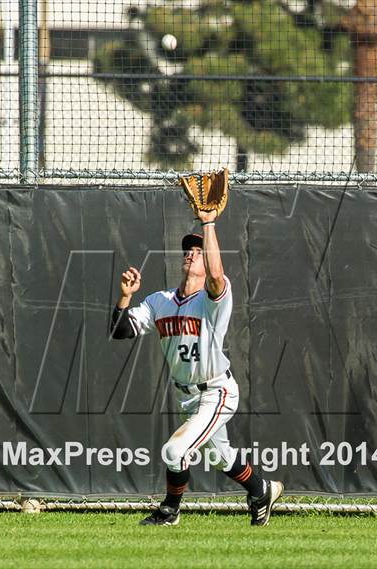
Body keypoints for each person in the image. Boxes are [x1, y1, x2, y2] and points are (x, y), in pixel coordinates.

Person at [110, 209, 283, 526]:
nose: (191, 254)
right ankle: (262, 490)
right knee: (220, 457)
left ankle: (170, 511)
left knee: (174, 450)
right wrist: (124, 297)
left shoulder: (213, 299)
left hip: (216, 392)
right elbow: (119, 331)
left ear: (210, 260)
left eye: (199, 251)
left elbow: (217, 277)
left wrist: (209, 224)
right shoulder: (158, 301)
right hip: (185, 395)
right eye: (188, 250)